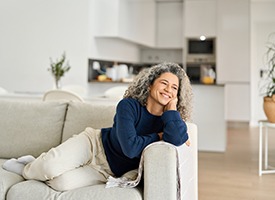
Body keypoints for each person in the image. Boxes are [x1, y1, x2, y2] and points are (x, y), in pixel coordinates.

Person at [2, 62, 193, 191]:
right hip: (94, 145)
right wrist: (159, 137)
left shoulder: (170, 118)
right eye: (164, 83)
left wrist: (172, 110)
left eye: (174, 88)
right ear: (150, 85)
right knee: (48, 167)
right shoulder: (128, 106)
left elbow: (176, 138)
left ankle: (42, 165)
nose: (168, 90)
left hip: (107, 171)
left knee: (59, 183)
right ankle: (27, 166)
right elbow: (130, 148)